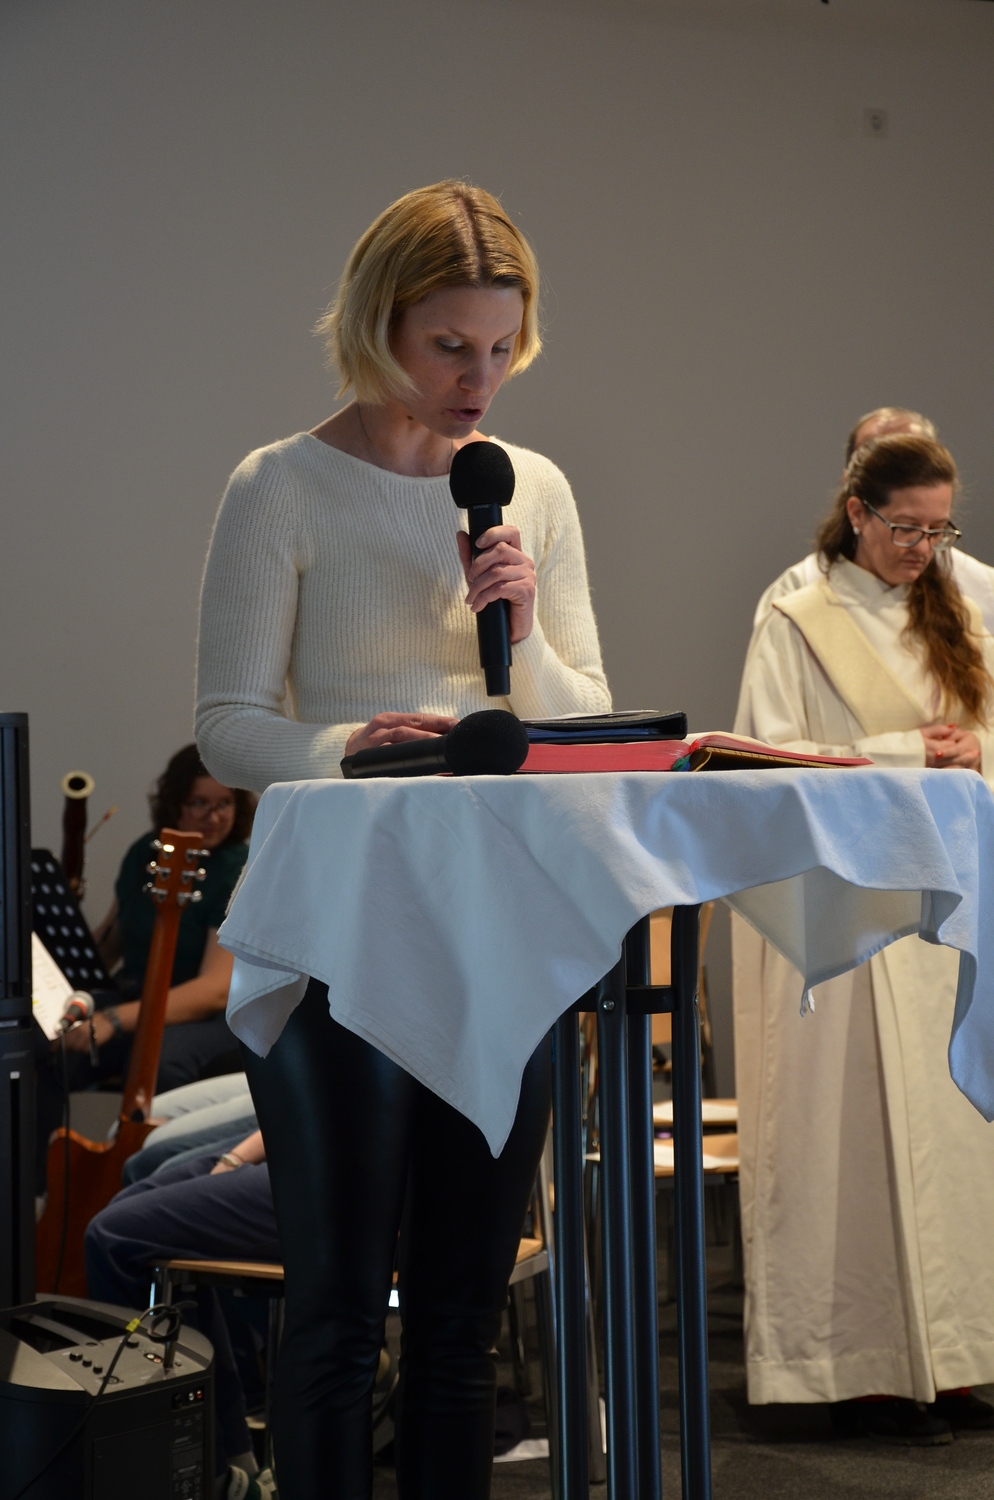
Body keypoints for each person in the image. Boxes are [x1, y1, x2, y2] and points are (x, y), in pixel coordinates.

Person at [195, 180, 611, 1499]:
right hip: (336, 923)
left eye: (502, 348)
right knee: (333, 1317)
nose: (478, 380)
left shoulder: (531, 489)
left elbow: (583, 716)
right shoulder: (280, 486)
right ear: (377, 324)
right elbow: (226, 728)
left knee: (457, 1325)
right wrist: (345, 749)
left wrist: (524, 634)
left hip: (497, 925)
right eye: (448, 347)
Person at [733, 433, 994, 1443]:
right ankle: (856, 1367)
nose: (922, 549)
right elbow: (763, 761)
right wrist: (900, 751)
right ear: (856, 513)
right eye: (904, 529)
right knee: (854, 1143)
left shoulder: (959, 607)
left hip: (947, 909)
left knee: (954, 1144)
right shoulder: (797, 614)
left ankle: (958, 1357)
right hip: (848, 915)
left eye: (938, 530)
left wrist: (969, 749)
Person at [85, 1128, 279, 1500]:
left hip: (344, 1166)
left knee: (111, 1238)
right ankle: (229, 1462)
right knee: (126, 1202)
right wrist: (236, 1158)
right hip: (300, 1137)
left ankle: (209, 1472)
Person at [745, 407, 994, 643]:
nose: (921, 547)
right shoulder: (795, 594)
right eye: (905, 526)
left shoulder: (983, 590)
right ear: (851, 483)